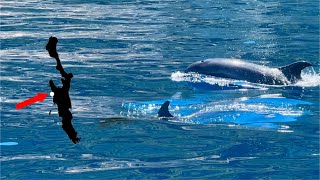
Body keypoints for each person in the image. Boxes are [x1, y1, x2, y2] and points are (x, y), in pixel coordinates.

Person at [46, 36, 80, 144]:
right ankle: (53, 52)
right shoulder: (66, 118)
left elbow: (66, 126)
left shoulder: (66, 119)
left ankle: (53, 52)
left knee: (65, 77)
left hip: (62, 101)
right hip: (62, 101)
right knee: (65, 77)